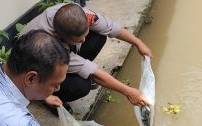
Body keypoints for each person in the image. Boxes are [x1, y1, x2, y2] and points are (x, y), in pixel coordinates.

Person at [21, 3, 152, 112]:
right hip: (38, 70)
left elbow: (112, 28)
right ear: (62, 37)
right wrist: (128, 92)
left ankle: (70, 71)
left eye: (84, 35)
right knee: (81, 86)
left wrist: (139, 44)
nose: (83, 41)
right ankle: (49, 95)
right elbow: (93, 72)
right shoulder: (50, 47)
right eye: (78, 40)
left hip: (61, 48)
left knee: (98, 36)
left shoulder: (78, 15)